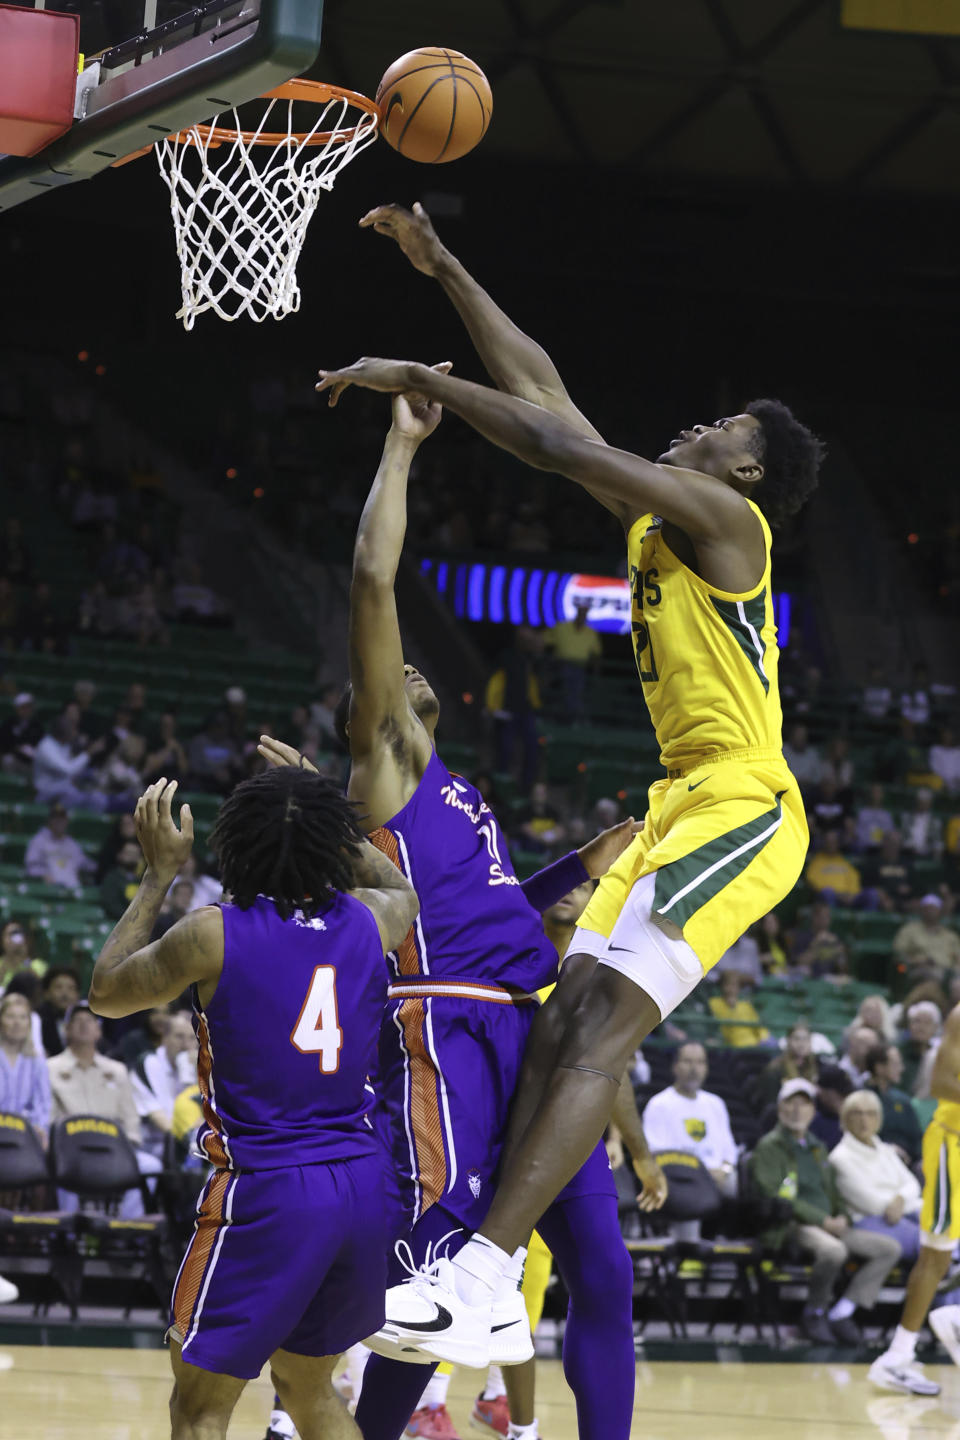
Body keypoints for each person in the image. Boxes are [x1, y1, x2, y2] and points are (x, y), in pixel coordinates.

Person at [316, 198, 820, 1367]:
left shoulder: (729, 521)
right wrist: (445, 265)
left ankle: (486, 1270)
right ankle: (487, 1287)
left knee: (600, 1029)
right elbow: (547, 395)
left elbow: (553, 445)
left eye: (722, 422)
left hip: (747, 805)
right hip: (680, 803)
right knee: (561, 1025)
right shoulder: (662, 529)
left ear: (745, 466)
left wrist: (408, 373)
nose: (698, 425)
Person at [259, 384, 658, 1440]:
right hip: (447, 1028)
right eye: (384, 680)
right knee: (435, 1286)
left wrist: (574, 864)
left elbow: (482, 912)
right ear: (373, 713)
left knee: (602, 1270)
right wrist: (400, 450)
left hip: (528, 1018)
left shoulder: (451, 791)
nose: (402, 674)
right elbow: (374, 579)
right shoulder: (383, 772)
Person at [87, 771, 418, 1440]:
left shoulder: (213, 933)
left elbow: (107, 995)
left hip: (269, 1190)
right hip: (360, 1185)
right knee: (309, 1389)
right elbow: (402, 888)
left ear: (238, 845)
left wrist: (159, 875)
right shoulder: (367, 921)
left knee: (200, 1408)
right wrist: (322, 825)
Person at [750, 1078, 901, 1346]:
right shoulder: (769, 1147)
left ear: (813, 1111)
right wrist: (823, 1220)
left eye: (803, 1105)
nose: (797, 1111)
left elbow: (833, 1192)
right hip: (789, 1227)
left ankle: (842, 1312)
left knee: (888, 1248)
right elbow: (776, 1197)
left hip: (830, 1225)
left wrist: (842, 1216)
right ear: (779, 1108)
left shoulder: (817, 1147)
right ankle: (814, 1312)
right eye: (791, 1104)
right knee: (834, 1250)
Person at [869, 1002, 960, 1394]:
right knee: (935, 1253)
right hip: (952, 1145)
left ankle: (954, 1320)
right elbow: (940, 1082)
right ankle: (897, 1357)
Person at [47, 1000, 162, 1216]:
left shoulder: (116, 1070)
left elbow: (130, 1117)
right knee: (62, 1166)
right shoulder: (50, 1068)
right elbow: (49, 1116)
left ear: (99, 1030)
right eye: (77, 1021)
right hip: (71, 1149)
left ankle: (126, 1231)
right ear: (66, 1029)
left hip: (112, 1147)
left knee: (150, 1165)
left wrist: (129, 1145)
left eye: (90, 1020)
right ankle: (71, 1232)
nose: (83, 1025)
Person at [641, 1042, 739, 1236]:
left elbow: (730, 1153)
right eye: (688, 1062)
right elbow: (656, 1154)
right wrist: (702, 1174)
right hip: (681, 1177)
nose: (694, 1069)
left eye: (701, 1062)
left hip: (717, 1176)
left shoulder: (716, 1104)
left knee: (735, 1181)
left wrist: (725, 1170)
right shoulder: (659, 1104)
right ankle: (688, 1250)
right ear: (675, 1066)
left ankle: (730, 1249)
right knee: (689, 1191)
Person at [829, 1090, 922, 1264]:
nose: (864, 1120)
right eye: (857, 1113)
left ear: (878, 1119)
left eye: (871, 1114)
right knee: (932, 1242)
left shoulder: (885, 1150)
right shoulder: (840, 1157)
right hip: (870, 1220)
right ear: (846, 1118)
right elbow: (871, 1203)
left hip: (903, 1211)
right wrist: (899, 1202)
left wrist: (900, 1199)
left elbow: (912, 1184)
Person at [129, 1010, 198, 1159]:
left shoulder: (202, 1067)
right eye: (179, 1036)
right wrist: (193, 1139)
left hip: (190, 1143)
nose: (186, 1045)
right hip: (153, 1145)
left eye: (192, 1038)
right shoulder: (147, 1064)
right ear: (164, 1038)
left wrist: (199, 1074)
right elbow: (159, 1120)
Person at [0, 992, 51, 1142]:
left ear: (29, 1023)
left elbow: (42, 1105)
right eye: (10, 1016)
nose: (17, 1023)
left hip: (25, 1138)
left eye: (23, 1017)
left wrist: (38, 1128)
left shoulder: (37, 1062)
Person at [864, 1042, 923, 1166]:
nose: (901, 1068)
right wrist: (887, 1149)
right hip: (873, 1163)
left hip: (908, 1165)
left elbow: (917, 1138)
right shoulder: (861, 1099)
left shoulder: (903, 1100)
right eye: (895, 1064)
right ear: (879, 1067)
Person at [544, 599, 602, 721]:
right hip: (560, 665)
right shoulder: (561, 627)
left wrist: (595, 672)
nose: (582, 614)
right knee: (565, 684)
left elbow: (596, 654)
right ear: (577, 612)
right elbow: (544, 642)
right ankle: (565, 716)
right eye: (581, 611)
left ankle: (572, 718)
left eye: (585, 612)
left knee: (575, 689)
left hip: (580, 668)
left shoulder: (591, 632)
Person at [24, 802, 96, 891]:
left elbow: (84, 864)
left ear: (67, 821)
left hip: (73, 890)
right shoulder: (39, 840)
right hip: (51, 890)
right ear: (49, 820)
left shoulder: (72, 844)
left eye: (62, 818)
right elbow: (31, 867)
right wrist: (43, 875)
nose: (59, 822)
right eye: (55, 818)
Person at [753, 1021, 820, 1109]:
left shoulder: (816, 1066)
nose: (802, 1044)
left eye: (806, 1039)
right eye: (797, 1039)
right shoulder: (774, 1069)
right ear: (788, 1040)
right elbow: (770, 1105)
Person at [894, 896, 960, 981]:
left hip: (947, 974)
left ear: (940, 911)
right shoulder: (908, 931)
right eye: (927, 908)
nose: (930, 911)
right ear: (922, 910)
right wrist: (917, 961)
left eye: (933, 908)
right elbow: (898, 955)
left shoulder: (950, 936)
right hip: (919, 971)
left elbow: (958, 959)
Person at [707, 970, 769, 1047]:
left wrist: (763, 1037)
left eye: (734, 985)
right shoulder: (714, 1003)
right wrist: (732, 1007)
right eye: (727, 984)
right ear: (721, 986)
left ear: (739, 988)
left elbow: (758, 1025)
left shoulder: (745, 1005)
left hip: (754, 1043)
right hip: (734, 1045)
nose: (730, 989)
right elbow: (726, 1028)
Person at [37, 965, 81, 1058]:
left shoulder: (86, 1019)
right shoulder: (38, 1020)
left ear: (78, 995)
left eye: (71, 988)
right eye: (58, 987)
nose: (65, 993)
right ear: (46, 993)